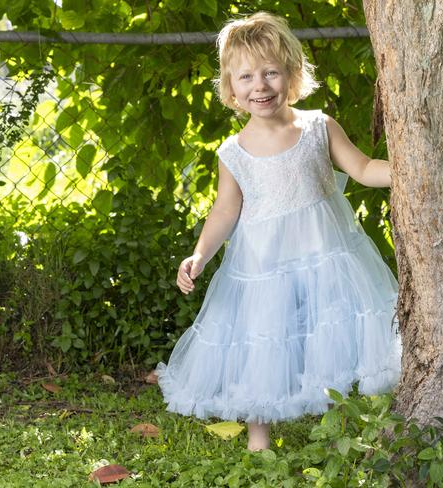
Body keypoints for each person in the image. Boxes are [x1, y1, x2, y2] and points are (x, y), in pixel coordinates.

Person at [155, 11, 402, 452]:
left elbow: (363, 168)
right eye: (246, 77)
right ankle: (259, 436)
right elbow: (225, 210)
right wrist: (200, 255)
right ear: (231, 88)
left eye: (270, 73)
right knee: (263, 341)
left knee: (332, 330)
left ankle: (341, 423)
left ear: (292, 74)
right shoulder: (233, 151)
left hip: (326, 254)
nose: (260, 86)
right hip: (263, 266)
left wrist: (406, 169)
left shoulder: (317, 127)